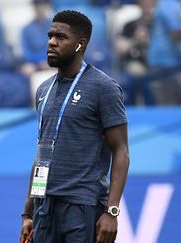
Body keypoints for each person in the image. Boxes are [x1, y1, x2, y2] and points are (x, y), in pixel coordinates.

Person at [19, 10, 130, 243]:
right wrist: (28, 212)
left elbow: (121, 151)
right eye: (50, 35)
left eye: (60, 37)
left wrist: (112, 211)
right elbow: (42, 153)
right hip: (44, 208)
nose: (51, 41)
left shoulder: (103, 87)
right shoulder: (43, 90)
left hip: (82, 206)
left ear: (80, 44)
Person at [20, 0, 53, 77]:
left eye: (42, 5)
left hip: (53, 62)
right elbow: (26, 52)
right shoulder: (26, 29)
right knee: (26, 70)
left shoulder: (56, 26)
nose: (39, 8)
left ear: (47, 6)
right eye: (37, 5)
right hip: (35, 65)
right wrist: (39, 63)